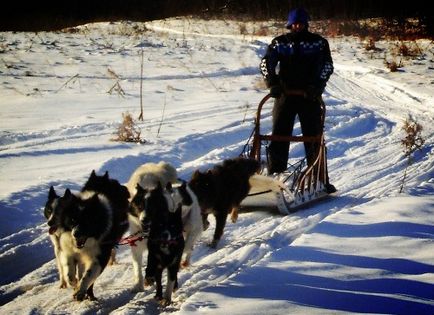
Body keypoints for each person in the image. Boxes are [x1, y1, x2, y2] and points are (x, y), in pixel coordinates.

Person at [260, 7, 336, 193]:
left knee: (313, 136)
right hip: (285, 95)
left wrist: (317, 87)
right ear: (289, 24)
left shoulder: (318, 43)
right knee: (279, 134)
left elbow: (327, 66)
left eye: (301, 23)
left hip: (309, 96)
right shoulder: (280, 43)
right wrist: (272, 83)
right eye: (294, 23)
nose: (297, 26)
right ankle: (276, 176)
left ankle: (319, 178)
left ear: (306, 24)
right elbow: (265, 63)